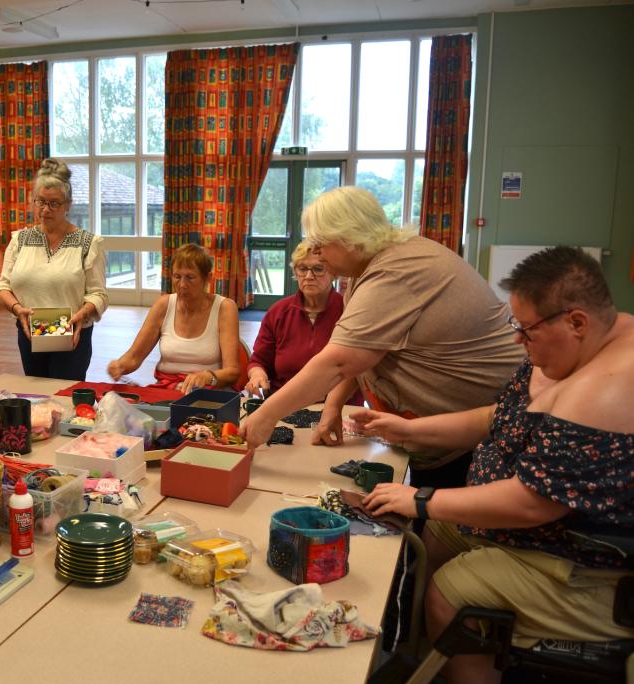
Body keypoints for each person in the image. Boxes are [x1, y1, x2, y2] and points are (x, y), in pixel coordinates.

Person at [359, 247, 634, 684]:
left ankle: (466, 678)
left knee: (450, 589)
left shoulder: (607, 388)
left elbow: (532, 504)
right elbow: (495, 419)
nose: (517, 343)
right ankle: (429, 655)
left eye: (525, 331)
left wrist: (422, 499)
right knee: (438, 537)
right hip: (534, 526)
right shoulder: (575, 347)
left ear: (576, 322)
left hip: (584, 560)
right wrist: (410, 428)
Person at [240, 187, 525, 488]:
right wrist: (334, 403)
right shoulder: (374, 266)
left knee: (441, 522)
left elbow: (337, 362)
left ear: (350, 237)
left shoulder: (396, 270)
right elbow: (366, 350)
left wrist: (266, 416)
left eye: (322, 243)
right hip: (449, 436)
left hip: (480, 438)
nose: (318, 252)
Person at [0, 158, 108, 381]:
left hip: (72, 329)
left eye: (54, 203)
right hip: (30, 326)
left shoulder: (88, 243)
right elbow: (2, 287)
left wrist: (81, 315)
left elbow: (99, 295)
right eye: (40, 202)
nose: (45, 209)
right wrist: (18, 309)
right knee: (37, 394)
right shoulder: (20, 240)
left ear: (68, 204)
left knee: (64, 395)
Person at [107, 243, 241, 394]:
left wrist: (209, 377)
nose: (182, 285)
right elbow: (134, 357)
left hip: (209, 392)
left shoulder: (225, 308)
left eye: (190, 277)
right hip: (168, 390)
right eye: (177, 277)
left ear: (208, 278)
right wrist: (119, 366)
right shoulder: (163, 305)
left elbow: (232, 372)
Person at [245, 239, 361, 405]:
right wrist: (258, 375)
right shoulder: (278, 312)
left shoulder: (349, 311)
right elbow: (258, 361)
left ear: (334, 272)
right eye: (302, 268)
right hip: (285, 405)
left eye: (318, 269)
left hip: (338, 406)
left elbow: (359, 370)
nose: (308, 276)